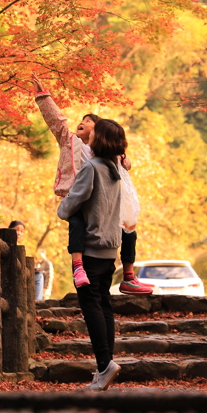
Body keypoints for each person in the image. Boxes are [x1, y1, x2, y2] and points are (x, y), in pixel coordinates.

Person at [31, 73, 152, 295]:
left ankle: (128, 276)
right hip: (81, 197)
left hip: (106, 201)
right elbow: (57, 122)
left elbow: (126, 163)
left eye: (89, 122)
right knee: (76, 224)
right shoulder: (72, 143)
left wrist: (125, 159)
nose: (83, 122)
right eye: (82, 120)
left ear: (98, 132)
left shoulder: (108, 153)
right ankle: (78, 267)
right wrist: (43, 96)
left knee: (129, 231)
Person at [57, 118, 128, 390]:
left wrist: (62, 209)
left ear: (100, 140)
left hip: (90, 247)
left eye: (94, 131)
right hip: (110, 248)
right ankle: (104, 367)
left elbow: (73, 202)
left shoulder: (92, 168)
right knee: (103, 304)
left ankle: (104, 364)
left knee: (91, 306)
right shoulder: (114, 169)